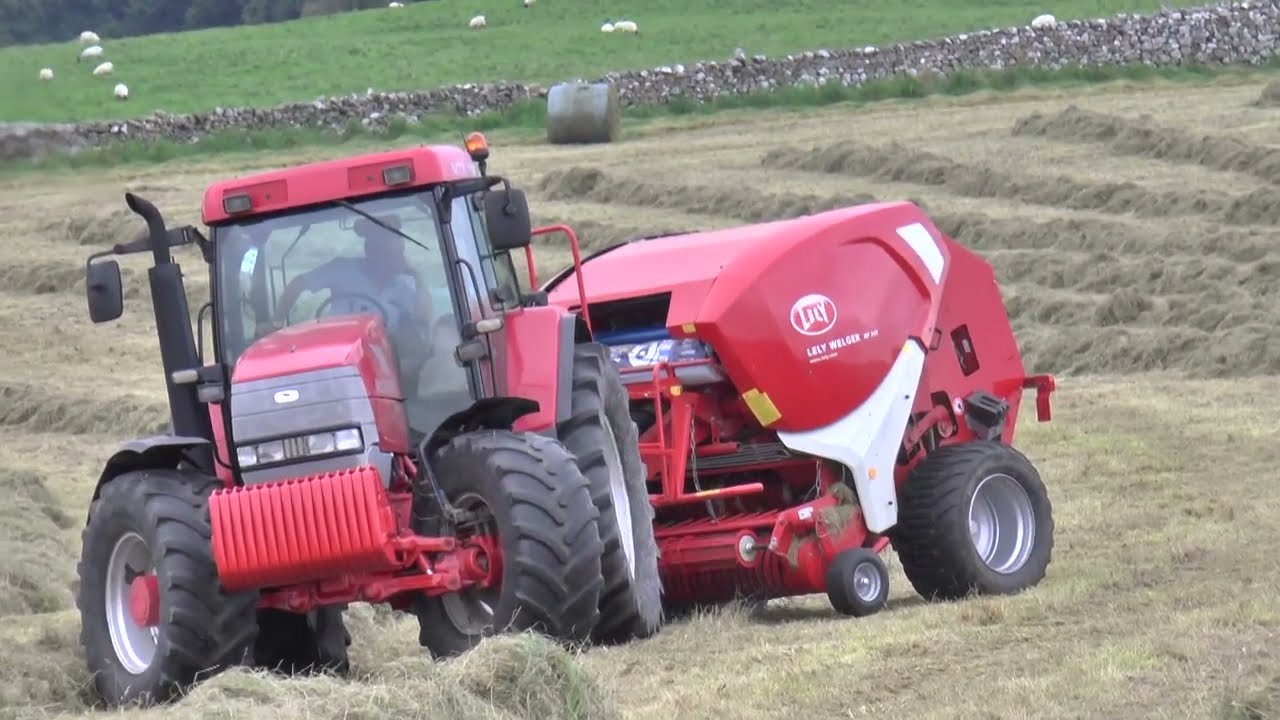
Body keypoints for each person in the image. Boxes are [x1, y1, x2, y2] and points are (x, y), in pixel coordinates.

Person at [272, 214, 437, 395]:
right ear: (371, 250)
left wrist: (417, 276)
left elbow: (424, 319)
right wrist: (277, 322)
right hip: (338, 355)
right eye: (387, 252)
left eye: (398, 253)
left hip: (386, 363)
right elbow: (297, 285)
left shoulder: (404, 288)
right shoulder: (342, 269)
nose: (395, 259)